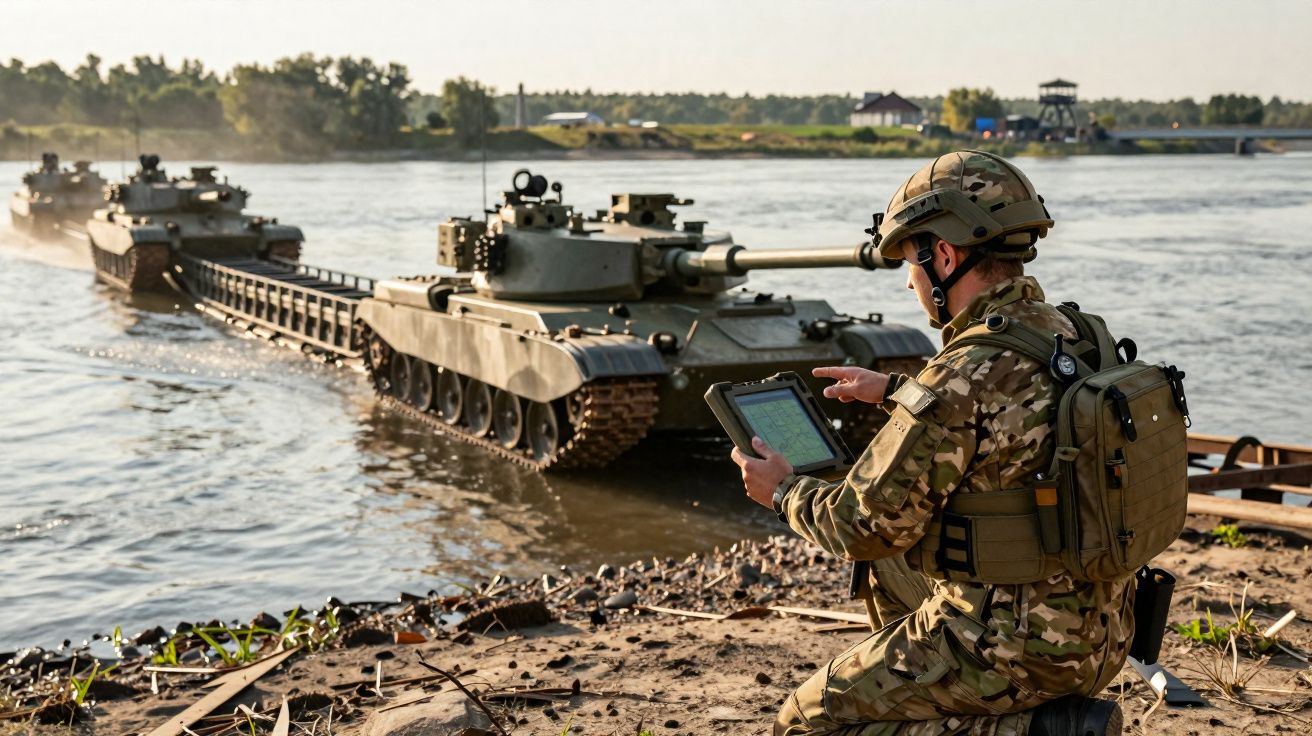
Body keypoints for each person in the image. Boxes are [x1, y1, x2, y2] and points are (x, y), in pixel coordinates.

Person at [731, 151, 1130, 736]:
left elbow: (860, 527)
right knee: (894, 565)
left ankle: (1039, 730)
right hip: (1103, 632)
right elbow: (1005, 414)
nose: (912, 281)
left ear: (943, 254)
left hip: (1015, 651)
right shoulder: (1077, 333)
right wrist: (897, 390)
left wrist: (784, 489)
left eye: (911, 263)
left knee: (804, 722)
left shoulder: (961, 375)